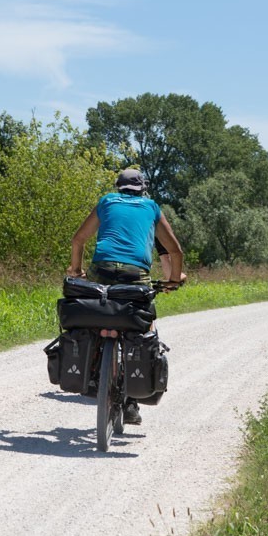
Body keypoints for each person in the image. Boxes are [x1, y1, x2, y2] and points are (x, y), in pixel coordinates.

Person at [67, 169, 186, 424]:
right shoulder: (152, 208)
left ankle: (92, 375)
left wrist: (77, 271)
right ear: (143, 189)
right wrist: (174, 279)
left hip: (102, 270)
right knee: (143, 326)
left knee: (96, 313)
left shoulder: (107, 201)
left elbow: (78, 240)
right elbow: (175, 251)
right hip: (136, 275)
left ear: (118, 187)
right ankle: (132, 403)